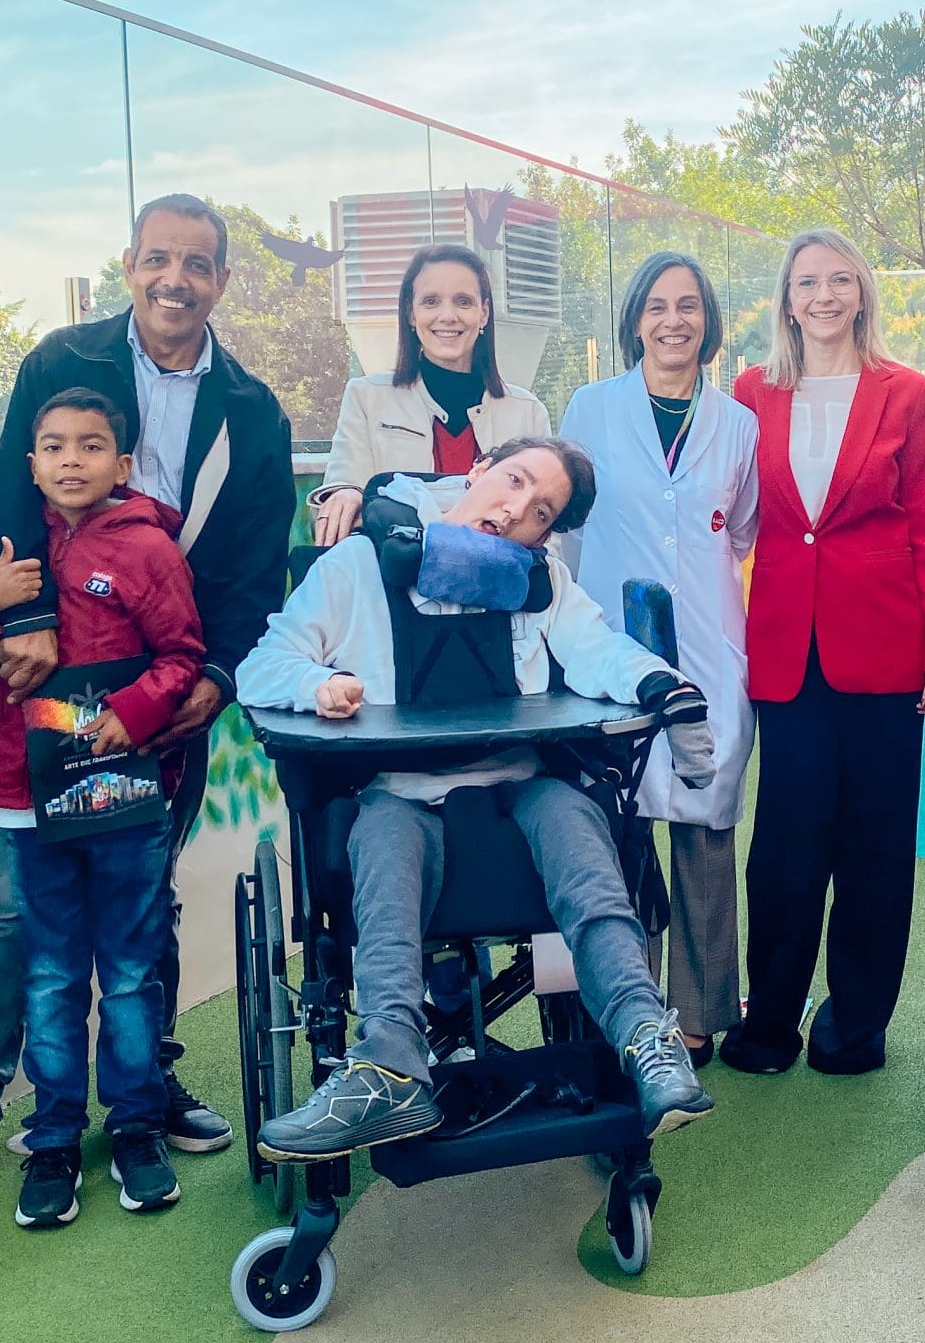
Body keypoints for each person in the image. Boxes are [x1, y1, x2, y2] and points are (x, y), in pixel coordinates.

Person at [0, 193, 294, 1183]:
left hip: (164, 693)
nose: (175, 280)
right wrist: (19, 617)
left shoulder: (253, 409)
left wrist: (215, 675)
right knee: (14, 908)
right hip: (43, 696)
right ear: (127, 266)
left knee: (141, 895)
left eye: (197, 264)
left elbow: (253, 563)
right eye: (158, 259)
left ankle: (144, 1091)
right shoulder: (60, 365)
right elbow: (3, 497)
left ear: (222, 281)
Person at [236, 437, 718, 1156]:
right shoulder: (357, 565)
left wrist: (661, 685)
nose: (515, 510)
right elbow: (263, 666)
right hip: (401, 796)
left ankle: (646, 1037)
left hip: (516, 793)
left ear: (543, 535)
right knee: (382, 834)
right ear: (479, 470)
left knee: (577, 823)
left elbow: (597, 650)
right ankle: (391, 1065)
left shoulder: (538, 580)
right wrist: (315, 686)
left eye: (539, 511)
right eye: (514, 482)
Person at [0, 390, 207, 1227]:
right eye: (53, 447)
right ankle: (52, 1135)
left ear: (122, 465)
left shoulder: (149, 549)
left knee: (128, 973)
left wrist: (135, 715)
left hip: (124, 800)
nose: (71, 461)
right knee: (51, 976)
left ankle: (135, 1127)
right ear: (31, 463)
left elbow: (183, 655)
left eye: (92, 447)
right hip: (27, 803)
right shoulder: (8, 552)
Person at [720, 228, 925, 1078]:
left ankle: (855, 1028)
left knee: (875, 845)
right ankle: (769, 1025)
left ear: (862, 293)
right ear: (785, 298)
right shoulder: (751, 390)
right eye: (805, 282)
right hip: (785, 647)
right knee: (785, 843)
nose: (822, 296)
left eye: (838, 281)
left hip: (886, 645)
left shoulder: (907, 393)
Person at [559, 253, 759, 1064]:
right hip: (608, 644)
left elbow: (740, 529)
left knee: (705, 833)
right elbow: (563, 518)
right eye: (657, 306)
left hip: (710, 647)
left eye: (690, 307)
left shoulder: (738, 423)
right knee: (618, 832)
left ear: (708, 322)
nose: (673, 320)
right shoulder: (591, 407)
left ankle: (703, 1010)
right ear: (634, 320)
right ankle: (630, 1010)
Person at [309, 243, 550, 548]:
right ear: (411, 313)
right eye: (431, 301)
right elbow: (344, 488)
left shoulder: (527, 412)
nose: (447, 315)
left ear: (484, 313)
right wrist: (345, 494)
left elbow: (545, 528)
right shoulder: (366, 397)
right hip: (387, 586)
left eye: (463, 301)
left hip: (493, 587)